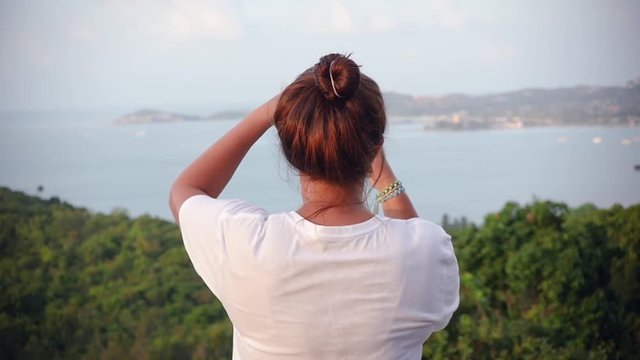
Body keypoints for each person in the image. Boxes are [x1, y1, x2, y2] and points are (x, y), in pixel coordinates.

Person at [169, 53, 459, 359]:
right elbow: (409, 236)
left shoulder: (245, 244)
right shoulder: (425, 249)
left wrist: (269, 112)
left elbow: (186, 190)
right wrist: (378, 163)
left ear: (289, 145)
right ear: (374, 146)